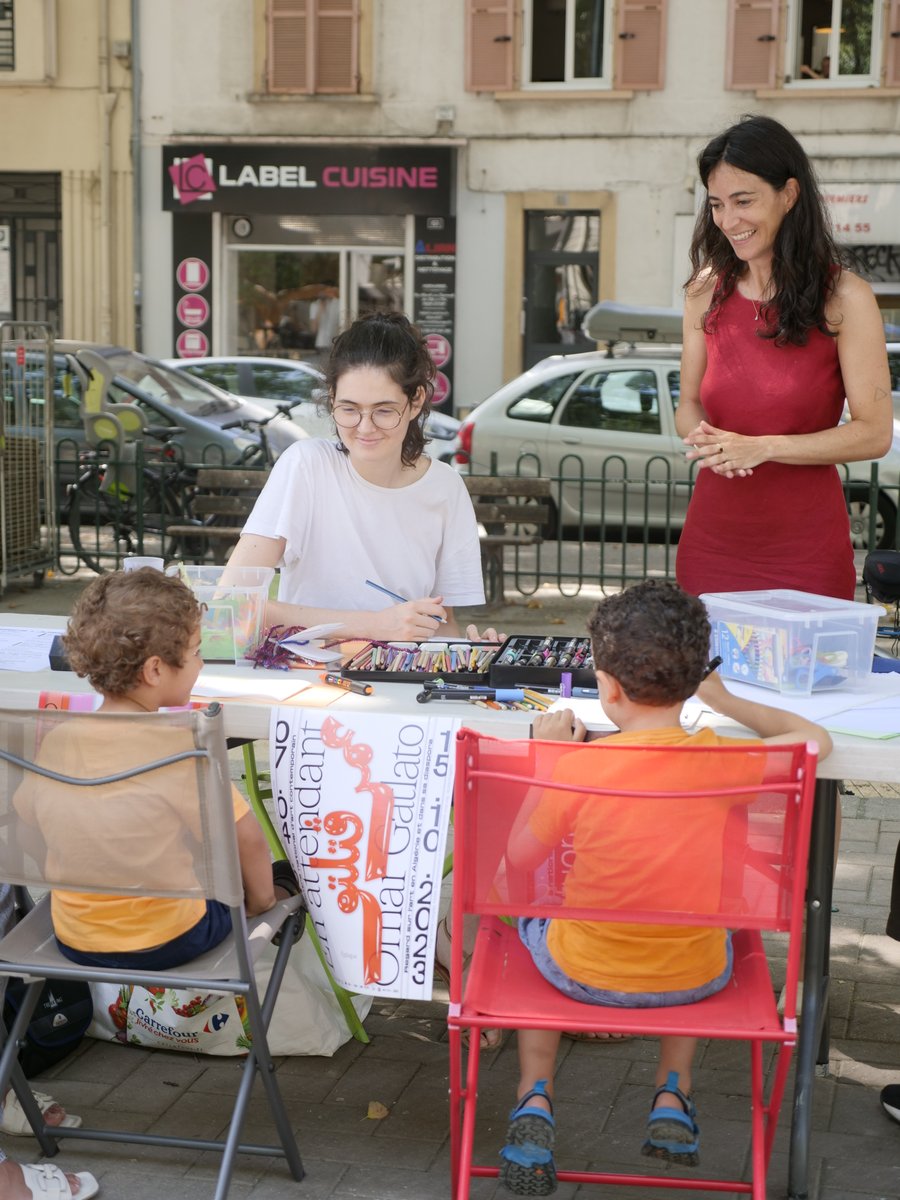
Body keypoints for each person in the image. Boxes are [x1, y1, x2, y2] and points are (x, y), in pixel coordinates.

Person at [496, 580, 832, 1196]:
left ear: (609, 685)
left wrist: (548, 761)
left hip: (581, 970)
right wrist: (725, 700)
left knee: (537, 907)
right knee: (693, 918)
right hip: (693, 977)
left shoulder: (581, 765)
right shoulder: (723, 763)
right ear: (693, 677)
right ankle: (672, 1092)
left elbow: (519, 856)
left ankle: (534, 1096)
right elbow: (817, 743)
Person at [13, 568, 299, 971]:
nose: (200, 663)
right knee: (274, 874)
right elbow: (248, 840)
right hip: (170, 938)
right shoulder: (178, 748)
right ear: (154, 670)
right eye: (196, 652)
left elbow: (29, 829)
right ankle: (283, 887)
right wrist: (262, 903)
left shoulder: (57, 741)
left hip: (75, 938)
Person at [675, 114, 891, 601]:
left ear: (789, 194)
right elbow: (688, 403)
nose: (729, 220)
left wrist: (763, 447)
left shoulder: (846, 297)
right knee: (706, 679)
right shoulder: (703, 291)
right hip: (712, 543)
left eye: (743, 201)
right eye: (716, 205)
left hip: (806, 552)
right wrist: (703, 438)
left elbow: (874, 432)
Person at [227, 311, 490, 641]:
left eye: (383, 410)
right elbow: (233, 602)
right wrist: (374, 625)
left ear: (416, 400)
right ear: (332, 398)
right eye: (349, 409)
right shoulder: (306, 467)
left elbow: (440, 622)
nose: (365, 427)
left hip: (400, 682)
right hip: (310, 682)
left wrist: (469, 655)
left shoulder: (445, 487)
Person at [309, 282, 340, 359]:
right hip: (321, 344)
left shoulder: (339, 304)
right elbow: (313, 329)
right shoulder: (315, 305)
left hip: (336, 344)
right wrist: (320, 310)